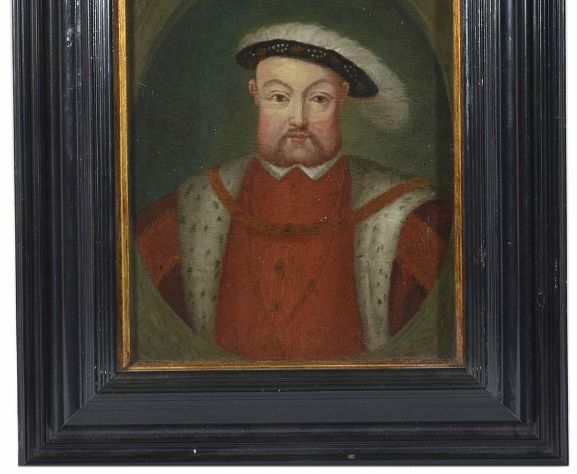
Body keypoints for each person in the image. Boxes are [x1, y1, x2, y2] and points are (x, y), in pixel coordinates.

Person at [136, 22, 452, 360]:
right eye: (279, 98)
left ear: (342, 98)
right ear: (255, 94)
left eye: (318, 99)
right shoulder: (191, 207)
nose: (298, 118)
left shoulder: (409, 216)